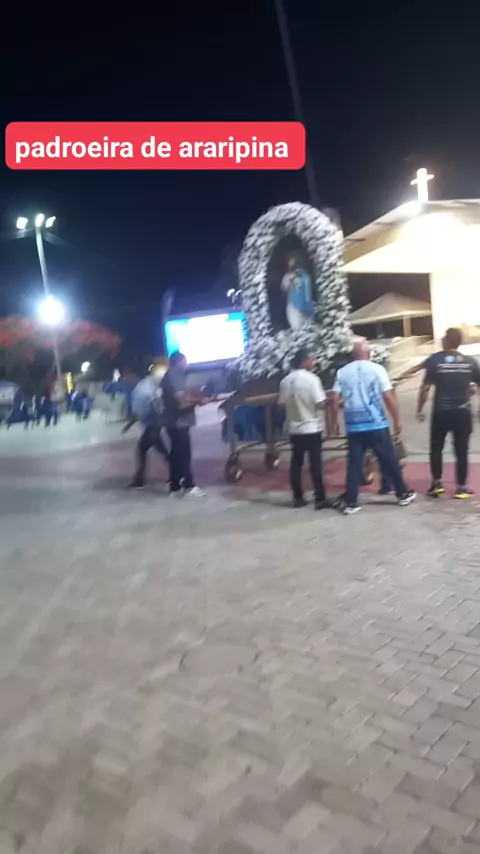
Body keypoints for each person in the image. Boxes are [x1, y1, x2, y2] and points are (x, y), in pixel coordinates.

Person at [332, 340, 416, 515]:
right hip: (376, 423)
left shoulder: (342, 372)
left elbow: (334, 398)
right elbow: (388, 396)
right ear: (369, 354)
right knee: (389, 460)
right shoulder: (377, 370)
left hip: (354, 426)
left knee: (354, 464)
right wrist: (397, 419)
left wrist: (335, 422)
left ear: (353, 355)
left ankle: (351, 501)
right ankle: (402, 493)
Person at [416, 327, 480, 499]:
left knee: (436, 447)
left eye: (444, 337)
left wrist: (420, 409)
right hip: (463, 412)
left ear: (447, 341)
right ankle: (462, 487)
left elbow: (425, 387)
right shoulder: (470, 362)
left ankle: (437, 484)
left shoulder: (435, 360)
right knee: (462, 450)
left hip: (441, 412)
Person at [278, 348, 329, 509]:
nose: (314, 362)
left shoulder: (285, 381)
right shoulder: (312, 379)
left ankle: (297, 496)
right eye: (312, 359)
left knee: (296, 463)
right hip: (311, 427)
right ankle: (320, 497)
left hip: (294, 428)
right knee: (315, 463)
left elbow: (281, 404)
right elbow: (320, 403)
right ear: (304, 360)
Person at [161, 352, 211, 497]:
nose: (186, 364)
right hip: (178, 422)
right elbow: (182, 400)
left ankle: (175, 484)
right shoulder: (174, 377)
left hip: (174, 422)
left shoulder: (172, 377)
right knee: (184, 454)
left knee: (176, 454)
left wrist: (197, 398)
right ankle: (189, 485)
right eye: (184, 362)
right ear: (177, 363)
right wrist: (199, 400)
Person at [129, 368, 169, 489]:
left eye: (128, 376)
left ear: (134, 376)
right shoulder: (149, 383)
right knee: (162, 450)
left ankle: (140, 479)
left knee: (142, 448)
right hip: (155, 423)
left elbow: (142, 408)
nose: (127, 379)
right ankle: (177, 472)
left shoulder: (141, 389)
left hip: (153, 424)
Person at [281, 257, 314, 330]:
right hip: (292, 304)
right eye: (290, 263)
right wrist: (290, 282)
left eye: (293, 263)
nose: (291, 265)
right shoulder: (286, 276)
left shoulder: (303, 275)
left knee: (305, 325)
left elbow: (307, 287)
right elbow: (284, 289)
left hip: (303, 304)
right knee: (295, 324)